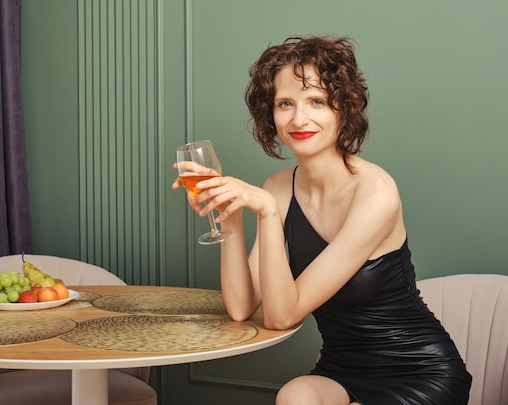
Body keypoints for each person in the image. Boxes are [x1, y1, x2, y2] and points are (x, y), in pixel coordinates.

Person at [173, 35, 472, 405]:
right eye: (285, 104)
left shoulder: (376, 193)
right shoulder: (279, 186)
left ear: (342, 110)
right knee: (293, 395)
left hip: (418, 370)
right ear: (271, 113)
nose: (299, 119)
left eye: (316, 101)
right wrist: (230, 218)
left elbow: (282, 316)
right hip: (341, 368)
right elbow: (241, 306)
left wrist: (267, 213)